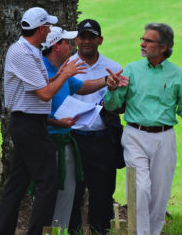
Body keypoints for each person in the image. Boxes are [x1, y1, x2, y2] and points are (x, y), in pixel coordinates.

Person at [0, 7, 86, 235]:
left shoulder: (31, 50)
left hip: (31, 124)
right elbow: (44, 93)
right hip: (28, 125)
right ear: (42, 29)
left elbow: (43, 83)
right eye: (48, 27)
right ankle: (37, 232)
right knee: (48, 182)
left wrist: (61, 73)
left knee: (17, 184)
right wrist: (65, 75)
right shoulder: (22, 53)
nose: (49, 32)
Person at [104, 23, 182, 235]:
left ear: (163, 47)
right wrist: (111, 89)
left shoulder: (178, 75)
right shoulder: (131, 70)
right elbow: (111, 105)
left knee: (160, 194)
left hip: (165, 138)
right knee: (139, 190)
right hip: (134, 135)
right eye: (142, 39)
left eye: (148, 40)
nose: (142, 44)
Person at [38, 26, 126, 231]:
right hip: (62, 139)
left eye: (91, 37)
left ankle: (94, 229)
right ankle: (64, 230)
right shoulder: (51, 67)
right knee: (63, 192)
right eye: (72, 41)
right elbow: (37, 102)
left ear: (100, 40)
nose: (78, 43)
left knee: (95, 191)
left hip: (93, 138)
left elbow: (80, 86)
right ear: (55, 46)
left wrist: (107, 81)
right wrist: (58, 122)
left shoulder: (67, 69)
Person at [68, 19, 124, 235]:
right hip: (74, 138)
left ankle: (100, 232)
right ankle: (72, 232)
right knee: (73, 193)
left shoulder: (114, 68)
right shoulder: (68, 66)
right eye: (83, 37)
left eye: (92, 37)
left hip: (102, 139)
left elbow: (120, 106)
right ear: (76, 40)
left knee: (102, 193)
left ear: (100, 40)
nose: (87, 42)